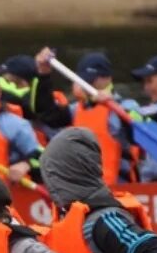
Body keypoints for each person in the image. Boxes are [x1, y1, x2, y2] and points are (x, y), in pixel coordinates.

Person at [33, 49, 138, 184]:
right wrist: (43, 74)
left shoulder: (127, 106)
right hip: (85, 189)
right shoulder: (76, 109)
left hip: (120, 188)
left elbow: (138, 128)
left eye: (93, 80)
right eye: (84, 80)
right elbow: (47, 114)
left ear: (108, 79)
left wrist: (114, 105)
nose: (88, 84)